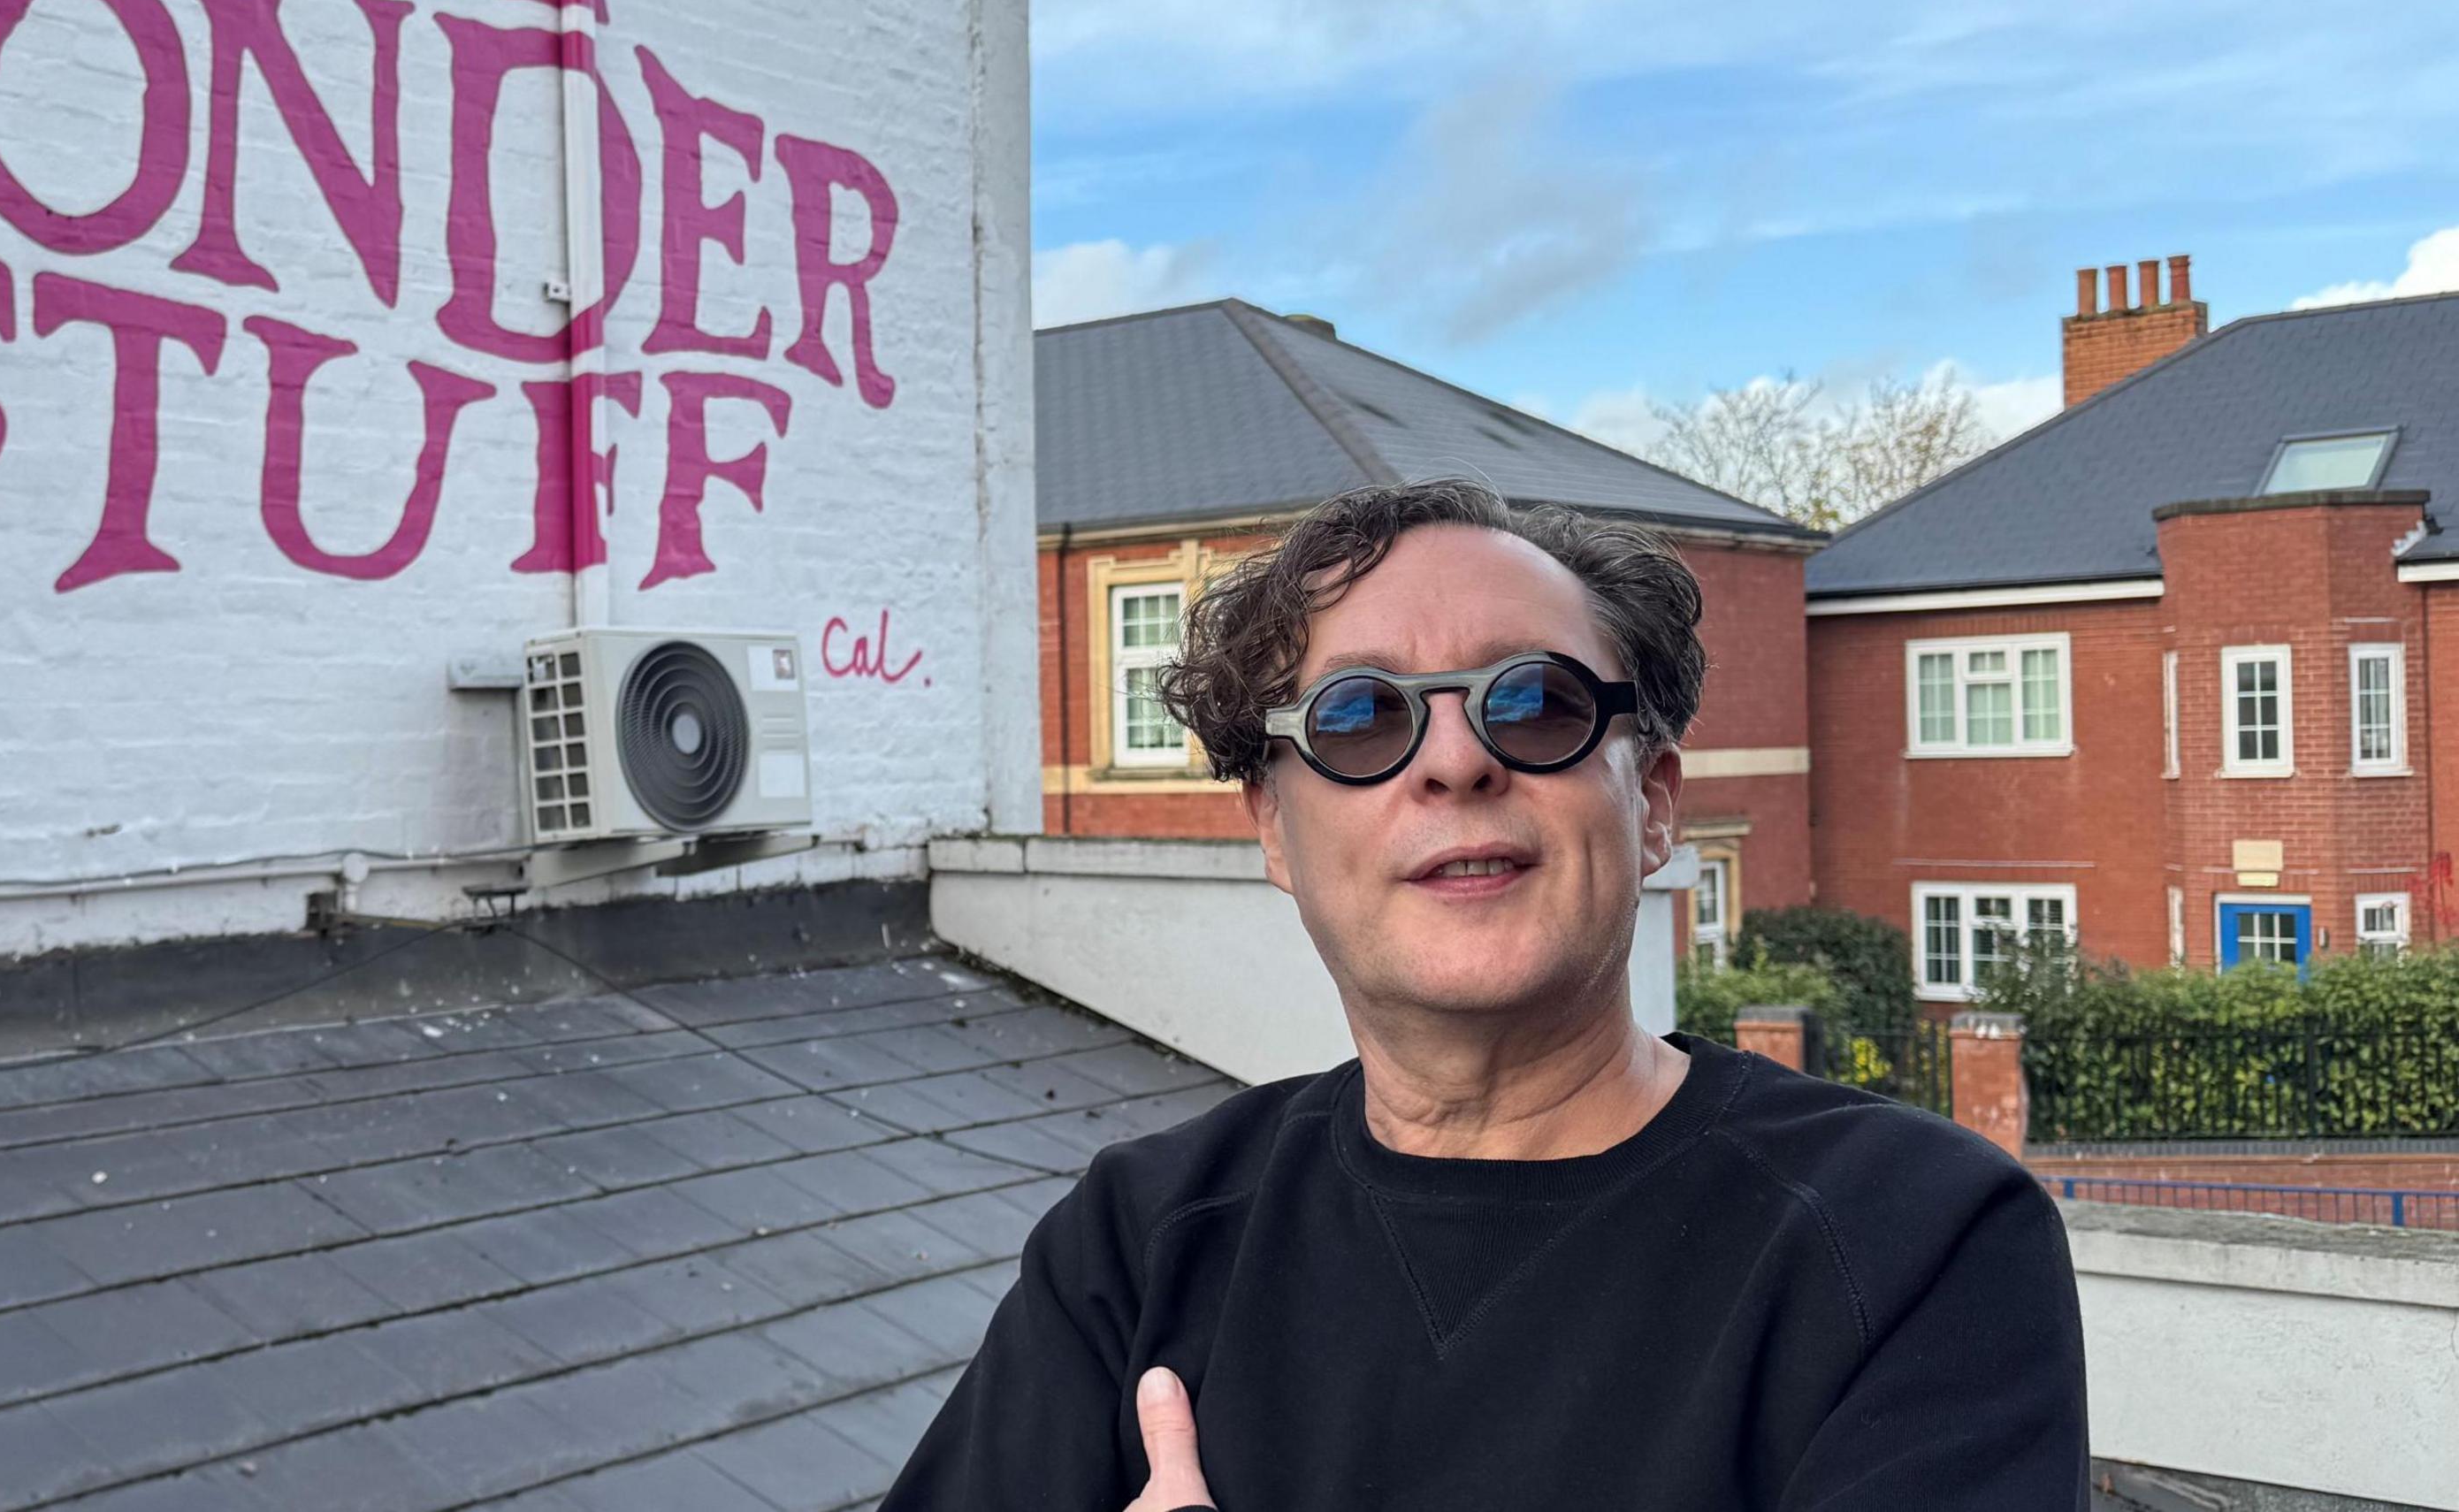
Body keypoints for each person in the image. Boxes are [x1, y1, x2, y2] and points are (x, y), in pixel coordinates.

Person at [882, 477, 2086, 1511]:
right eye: (1360, 719)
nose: (1457, 761)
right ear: (1275, 833)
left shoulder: (1915, 1240)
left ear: (1655, 801)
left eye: (1537, 703)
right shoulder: (1140, 1244)